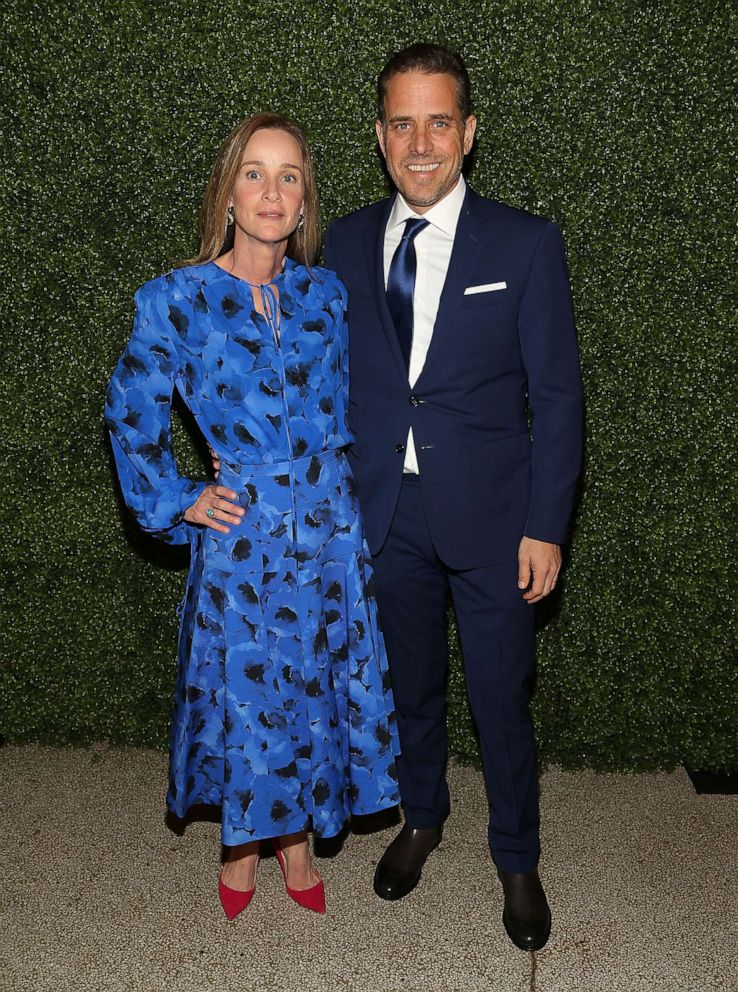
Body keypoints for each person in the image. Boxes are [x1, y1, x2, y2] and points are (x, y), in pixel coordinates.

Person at [105, 113, 400, 920]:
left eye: (290, 175)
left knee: (313, 685)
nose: (272, 191)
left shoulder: (325, 296)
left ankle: (296, 838)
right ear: (228, 194)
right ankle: (240, 842)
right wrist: (179, 498)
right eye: (255, 173)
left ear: (305, 204)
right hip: (245, 535)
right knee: (248, 691)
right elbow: (131, 413)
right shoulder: (177, 298)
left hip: (330, 532)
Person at [324, 45, 583, 951]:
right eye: (402, 122)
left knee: (502, 699)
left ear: (469, 134)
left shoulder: (523, 242)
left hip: (495, 522)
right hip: (385, 516)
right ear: (380, 135)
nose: (421, 142)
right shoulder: (346, 243)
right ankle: (422, 816)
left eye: (440, 121)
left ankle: (516, 857)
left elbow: (557, 400)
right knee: (412, 688)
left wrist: (546, 526)